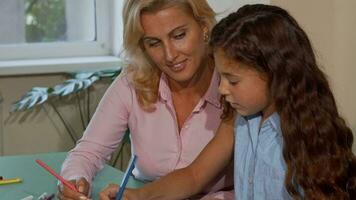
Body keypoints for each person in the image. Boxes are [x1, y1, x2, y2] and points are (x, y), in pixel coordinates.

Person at [99, 4, 356, 200]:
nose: (221, 89)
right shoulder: (239, 120)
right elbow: (194, 175)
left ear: (274, 72)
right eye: (221, 78)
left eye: (232, 81)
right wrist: (138, 196)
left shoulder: (304, 135)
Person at [57, 0, 235, 200]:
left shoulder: (236, 88)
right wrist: (74, 180)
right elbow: (89, 152)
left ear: (204, 27)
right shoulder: (131, 84)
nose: (170, 55)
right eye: (154, 43)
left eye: (179, 36)